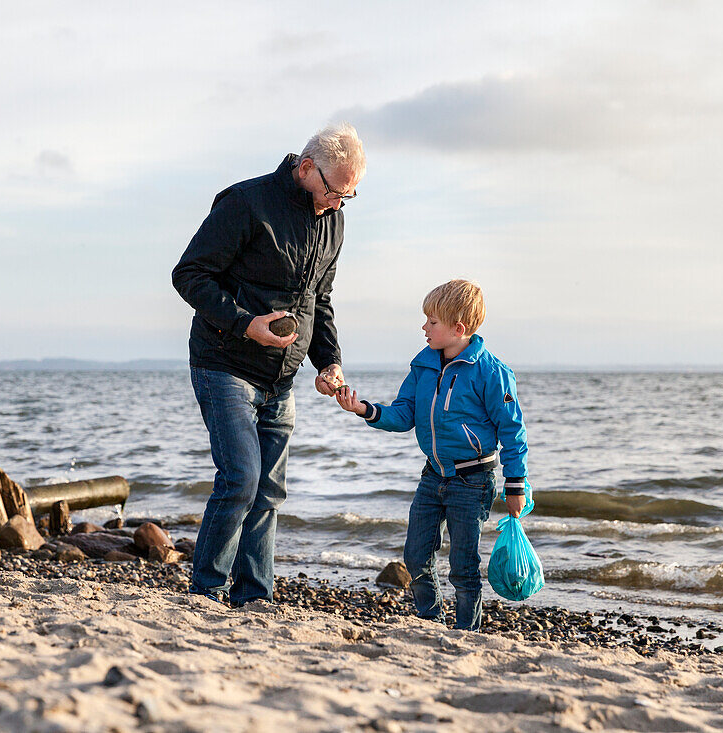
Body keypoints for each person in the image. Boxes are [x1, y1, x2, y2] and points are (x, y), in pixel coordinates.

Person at [172, 123, 366, 605]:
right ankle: (205, 592)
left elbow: (319, 299)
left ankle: (254, 596)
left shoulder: (333, 220)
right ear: (306, 169)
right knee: (241, 478)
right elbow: (189, 274)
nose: (340, 203)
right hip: (224, 362)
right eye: (336, 191)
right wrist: (245, 323)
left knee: (269, 492)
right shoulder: (244, 203)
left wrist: (330, 362)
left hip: (283, 379)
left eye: (350, 195)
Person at [333, 279, 528, 630]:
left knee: (463, 564)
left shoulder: (491, 372)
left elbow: (513, 432)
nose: (424, 328)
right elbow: (404, 413)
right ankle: (431, 618)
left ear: (458, 328)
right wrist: (365, 409)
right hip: (432, 477)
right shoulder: (423, 366)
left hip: (473, 481)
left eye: (432, 322)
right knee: (416, 555)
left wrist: (516, 484)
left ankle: (467, 630)